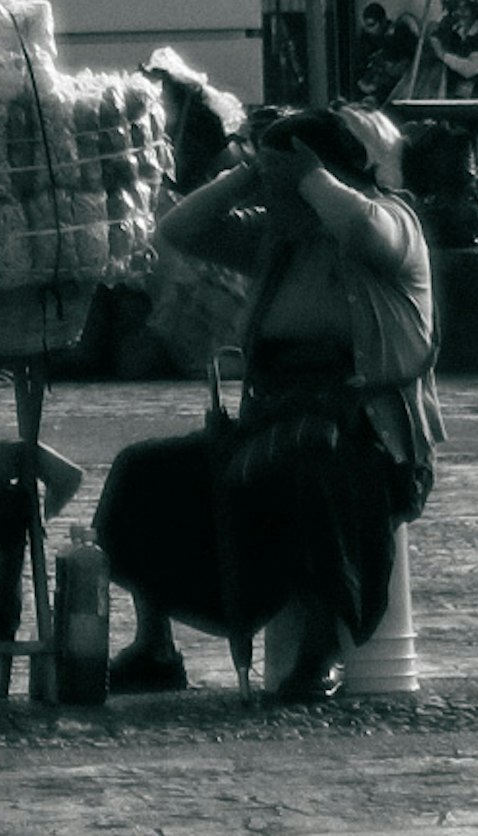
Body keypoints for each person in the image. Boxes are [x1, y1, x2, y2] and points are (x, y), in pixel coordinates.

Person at [95, 102, 441, 703]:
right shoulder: (275, 242)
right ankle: (155, 644)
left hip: (366, 439)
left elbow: (361, 227)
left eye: (289, 187)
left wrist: (308, 177)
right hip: (273, 422)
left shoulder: (391, 226)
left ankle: (318, 649)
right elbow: (179, 230)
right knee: (146, 472)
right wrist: (252, 173)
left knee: (306, 474)